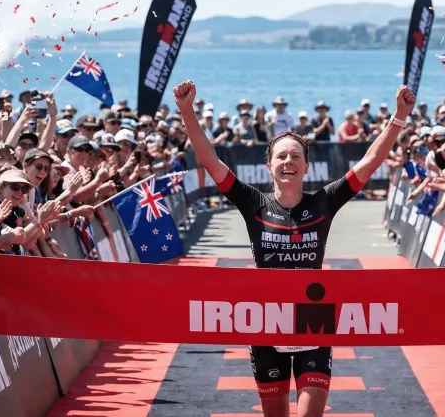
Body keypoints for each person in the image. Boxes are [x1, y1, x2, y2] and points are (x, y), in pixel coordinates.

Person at [172, 79, 415, 417]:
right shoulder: (252, 202)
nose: (289, 162)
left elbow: (371, 162)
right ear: (269, 165)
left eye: (296, 157)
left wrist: (399, 117)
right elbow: (208, 159)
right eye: (282, 156)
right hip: (265, 320)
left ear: (306, 167)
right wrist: (187, 110)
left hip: (313, 320)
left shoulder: (324, 202)